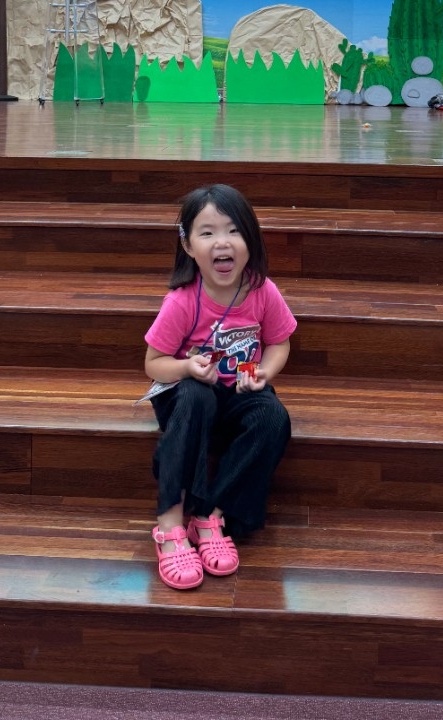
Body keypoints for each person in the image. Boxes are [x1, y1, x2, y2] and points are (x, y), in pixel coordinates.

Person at [143, 184, 296, 590]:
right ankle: (170, 524)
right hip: (188, 400)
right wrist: (186, 367)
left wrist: (264, 372)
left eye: (233, 230)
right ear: (188, 245)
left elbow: (279, 343)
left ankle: (212, 515)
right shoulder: (182, 301)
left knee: (273, 417)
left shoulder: (262, 290)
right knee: (195, 394)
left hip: (238, 394)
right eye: (207, 232)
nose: (222, 242)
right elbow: (153, 364)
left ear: (250, 239)